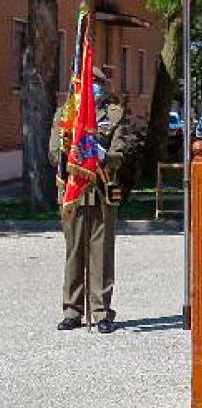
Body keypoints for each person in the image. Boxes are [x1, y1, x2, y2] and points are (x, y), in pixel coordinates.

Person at [51, 65, 130, 334]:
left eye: (96, 82)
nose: (92, 87)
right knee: (74, 252)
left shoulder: (114, 115)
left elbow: (120, 154)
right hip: (74, 193)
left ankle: (101, 312)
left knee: (101, 253)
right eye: (87, 81)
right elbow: (53, 154)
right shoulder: (66, 115)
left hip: (100, 191)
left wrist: (102, 154)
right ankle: (72, 311)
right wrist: (72, 152)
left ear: (102, 85)